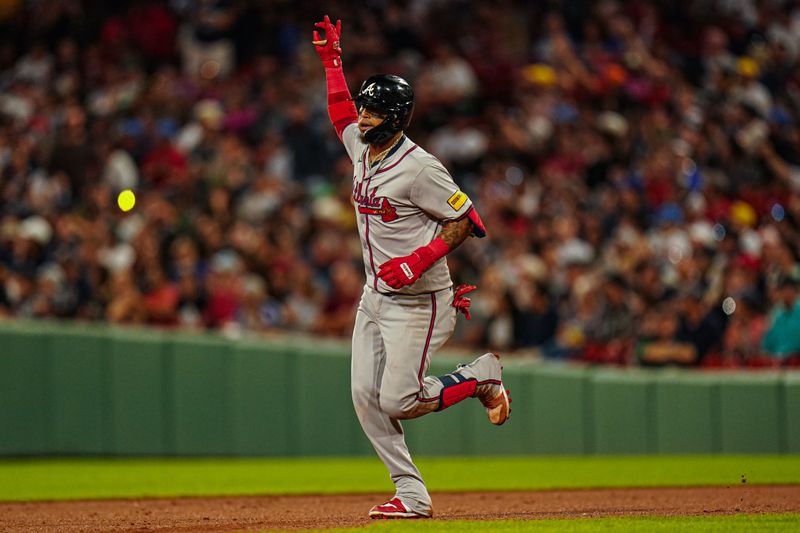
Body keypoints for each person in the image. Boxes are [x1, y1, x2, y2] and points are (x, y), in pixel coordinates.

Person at [312, 16, 511, 520]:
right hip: (374, 296)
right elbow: (338, 115)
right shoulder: (364, 148)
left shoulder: (420, 167)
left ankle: (481, 377)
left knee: (399, 400)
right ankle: (412, 494)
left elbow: (468, 219)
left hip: (420, 299)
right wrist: (332, 62)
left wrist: (418, 259)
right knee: (364, 395)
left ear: (395, 118)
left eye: (373, 111)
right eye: (363, 107)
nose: (362, 117)